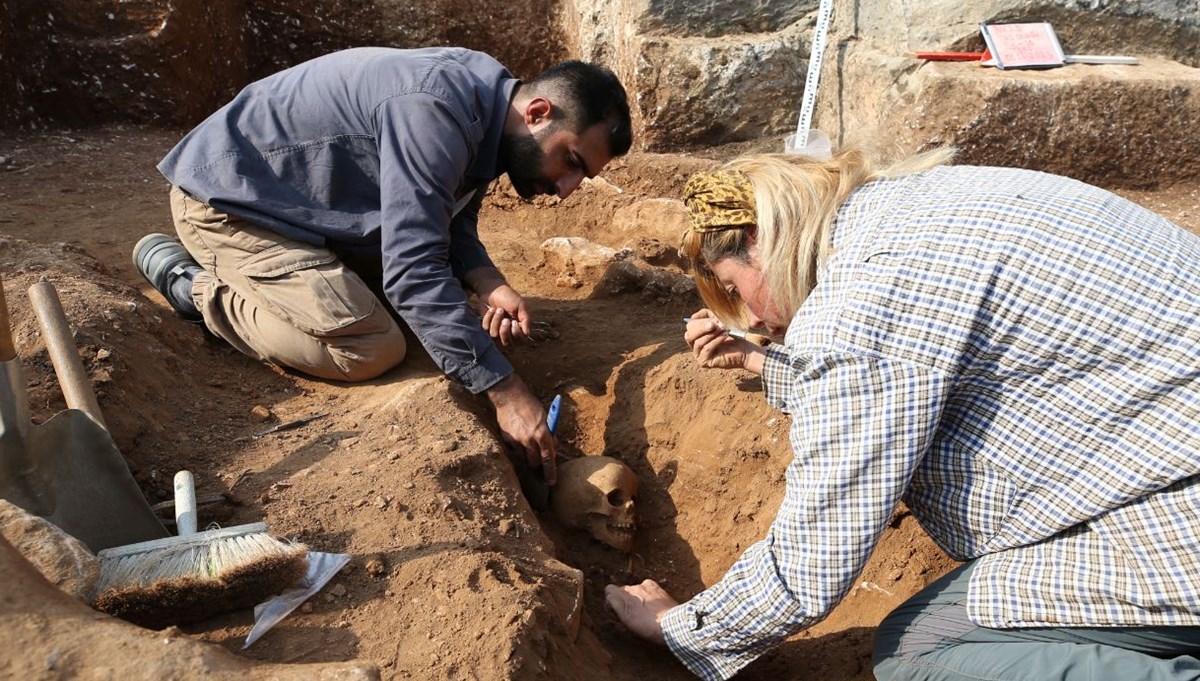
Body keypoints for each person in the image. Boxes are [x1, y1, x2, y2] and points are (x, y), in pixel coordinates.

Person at [605, 146, 1200, 680]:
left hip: (1180, 523)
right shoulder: (908, 203)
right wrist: (770, 365)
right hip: (1169, 443)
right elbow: (919, 367)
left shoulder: (857, 306)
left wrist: (681, 628)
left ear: (763, 241)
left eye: (736, 289)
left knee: (921, 652)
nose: (753, 321)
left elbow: (816, 554)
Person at [132, 47, 632, 484]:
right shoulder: (436, 111)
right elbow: (413, 271)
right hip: (232, 205)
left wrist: (487, 282)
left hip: (307, 210)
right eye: (571, 162)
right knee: (371, 346)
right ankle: (195, 287)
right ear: (539, 111)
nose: (568, 189)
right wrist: (506, 392)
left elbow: (448, 214)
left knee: (442, 318)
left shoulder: (491, 103)